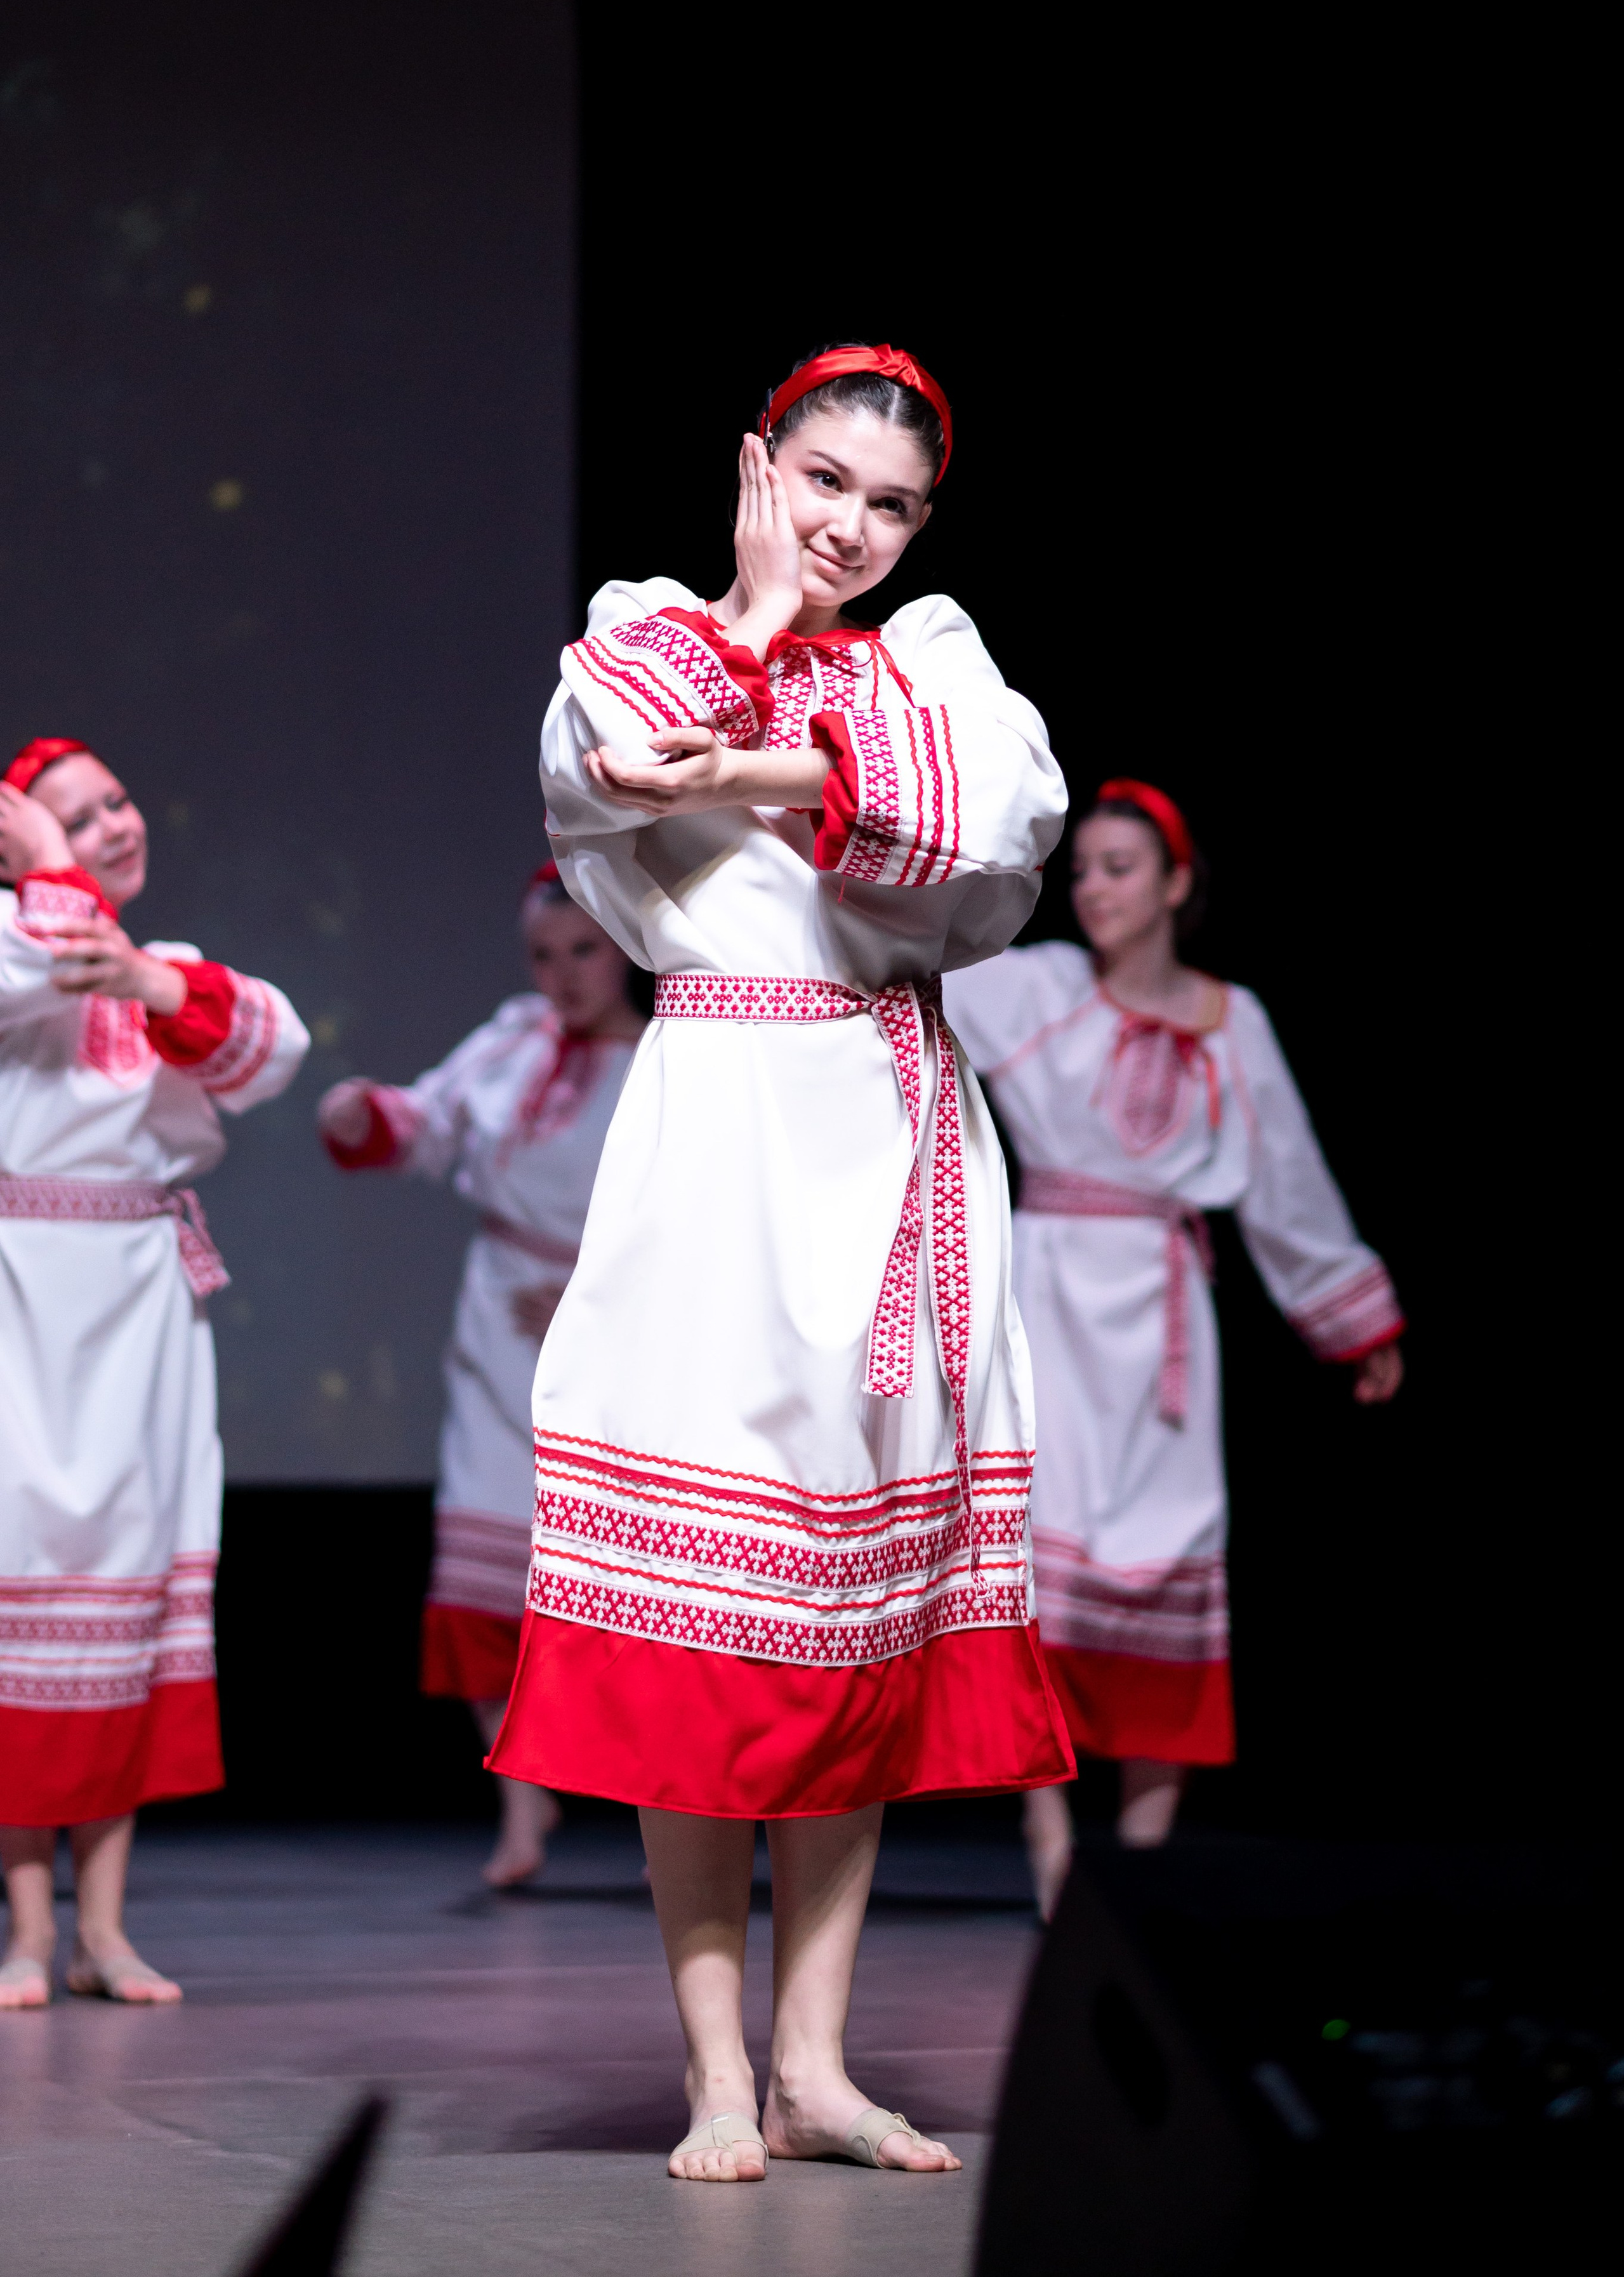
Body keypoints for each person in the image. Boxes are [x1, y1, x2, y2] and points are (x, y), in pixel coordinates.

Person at [485, 342, 1073, 2180]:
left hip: (890, 1135)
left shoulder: (940, 666)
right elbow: (604, 772)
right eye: (823, 480)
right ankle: (718, 2070)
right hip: (728, 1136)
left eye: (890, 503)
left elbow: (980, 849)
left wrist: (750, 761)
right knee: (704, 1619)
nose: (852, 527)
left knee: (860, 1623)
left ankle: (817, 2061)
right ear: (761, 467)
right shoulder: (648, 622)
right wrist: (746, 638)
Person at [944, 780, 1404, 1904]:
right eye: (1085, 869)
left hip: (1158, 1314)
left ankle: (1138, 1873)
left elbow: (1287, 1177)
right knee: (1034, 1559)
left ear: (1177, 885)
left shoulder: (1230, 1019)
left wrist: (1351, 1316)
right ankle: (1052, 1838)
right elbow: (917, 941)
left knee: (1164, 1553)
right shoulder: (1043, 988)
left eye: (1120, 868)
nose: (1095, 888)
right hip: (1048, 1293)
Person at [0, 737, 308, 2006]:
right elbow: (34, 972)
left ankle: (107, 1928)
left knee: (127, 1594)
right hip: (22, 1295)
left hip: (138, 1306)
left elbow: (269, 1049)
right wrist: (51, 884)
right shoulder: (16, 950)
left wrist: (143, 975)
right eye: (72, 820)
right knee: (28, 1580)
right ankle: (28, 1928)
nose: (111, 827)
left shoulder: (163, 969)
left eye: (116, 802)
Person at [317, 866, 644, 1885]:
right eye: (544, 956)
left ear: (624, 947)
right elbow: (429, 1122)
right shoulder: (511, 1038)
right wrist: (361, 1115)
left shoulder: (673, 1059)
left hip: (624, 1344)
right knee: (483, 1573)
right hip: (501, 1329)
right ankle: (521, 1805)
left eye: (583, 951)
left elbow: (696, 1216)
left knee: (634, 1594)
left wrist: (593, 1297)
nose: (562, 975)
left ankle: (665, 1815)